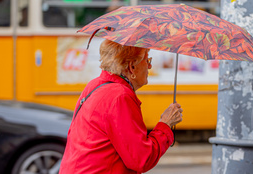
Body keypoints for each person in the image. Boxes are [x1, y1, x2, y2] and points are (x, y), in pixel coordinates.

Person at [59, 39, 183, 174]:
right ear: (132, 67)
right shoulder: (120, 96)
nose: (149, 66)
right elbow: (141, 159)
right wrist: (165, 124)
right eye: (147, 60)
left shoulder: (95, 85)